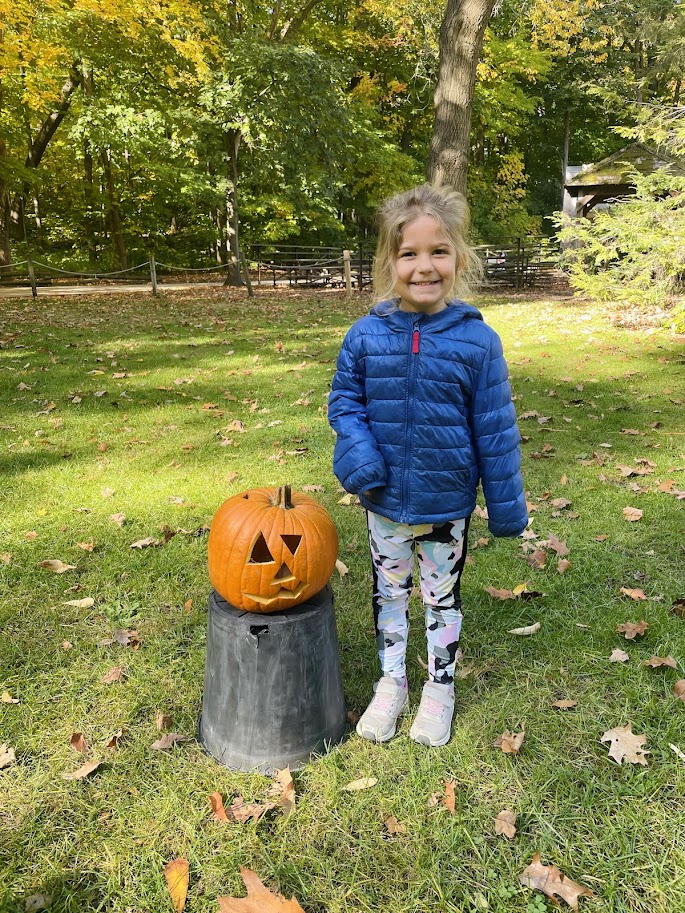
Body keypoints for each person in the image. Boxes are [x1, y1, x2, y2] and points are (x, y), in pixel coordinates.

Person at [328, 184, 527, 747]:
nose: (424, 265)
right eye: (409, 253)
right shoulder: (365, 336)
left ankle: (440, 686)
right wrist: (359, 452)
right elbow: (345, 402)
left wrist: (507, 508)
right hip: (384, 502)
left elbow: (495, 428)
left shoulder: (478, 343)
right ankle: (392, 682)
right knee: (389, 594)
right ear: (390, 262)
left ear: (459, 259)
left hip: (446, 506)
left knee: (441, 599)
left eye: (438, 251)